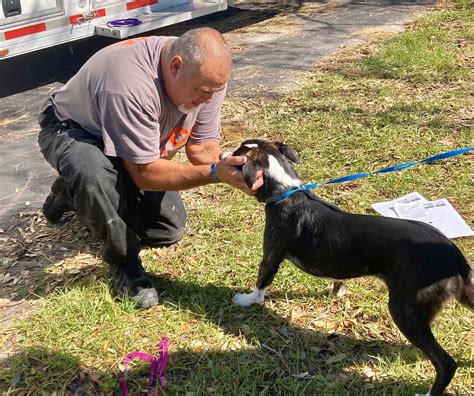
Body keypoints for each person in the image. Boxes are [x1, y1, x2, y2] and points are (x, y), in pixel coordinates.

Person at [37, 27, 263, 309]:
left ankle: (75, 194)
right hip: (73, 129)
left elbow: (202, 148)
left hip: (128, 149)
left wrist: (233, 165)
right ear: (176, 66)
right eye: (203, 92)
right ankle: (123, 262)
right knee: (92, 173)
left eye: (214, 92)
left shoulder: (208, 77)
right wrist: (215, 174)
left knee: (166, 229)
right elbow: (145, 174)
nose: (208, 100)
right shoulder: (128, 84)